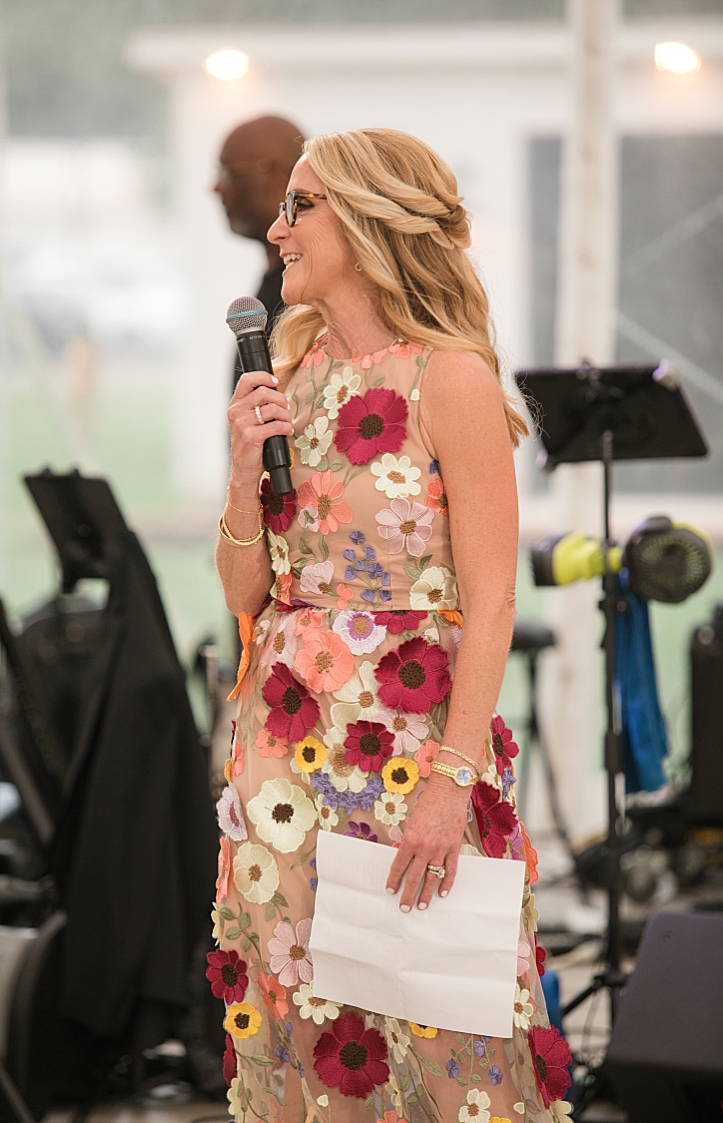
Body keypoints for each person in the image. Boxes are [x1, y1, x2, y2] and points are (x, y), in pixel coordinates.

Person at [214, 128, 569, 1119]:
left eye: (301, 207)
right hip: (282, 744)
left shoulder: (445, 377)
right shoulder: (289, 371)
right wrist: (244, 472)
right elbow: (246, 591)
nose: (278, 231)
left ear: (368, 225)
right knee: (297, 1012)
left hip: (408, 743)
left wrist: (452, 782)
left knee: (438, 1024)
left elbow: (493, 601)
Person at [214, 115, 305, 399]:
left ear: (278, 178)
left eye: (229, 172)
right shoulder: (275, 283)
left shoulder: (303, 298)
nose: (216, 187)